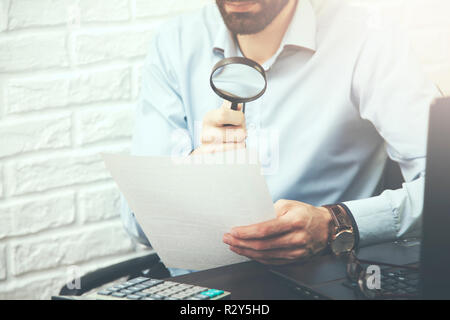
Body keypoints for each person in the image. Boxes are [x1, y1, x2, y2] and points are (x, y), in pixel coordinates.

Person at [121, 0, 440, 267]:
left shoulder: (369, 39)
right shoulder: (174, 42)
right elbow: (137, 225)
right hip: (205, 288)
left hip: (322, 278)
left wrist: (336, 223)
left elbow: (442, 189)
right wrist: (192, 171)